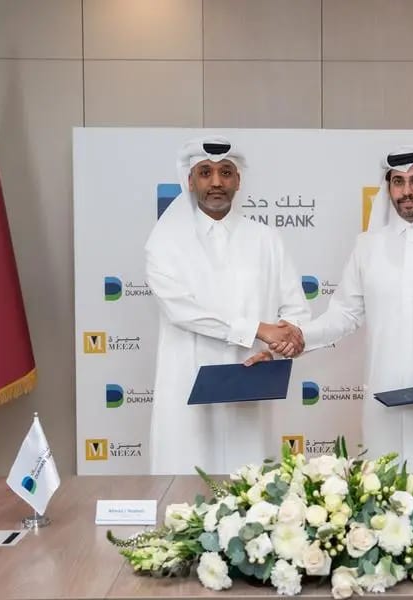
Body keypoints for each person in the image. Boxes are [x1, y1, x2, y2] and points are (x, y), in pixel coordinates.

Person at [267, 146, 413, 472]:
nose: (406, 191)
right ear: (389, 187)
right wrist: (298, 335)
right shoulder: (368, 247)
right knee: (386, 495)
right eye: (398, 182)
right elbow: (345, 313)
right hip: (386, 405)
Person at [144, 136, 308, 474]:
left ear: (238, 180)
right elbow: (181, 311)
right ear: (190, 181)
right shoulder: (165, 241)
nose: (216, 182)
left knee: (252, 488)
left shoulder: (265, 239)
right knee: (186, 486)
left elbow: (295, 310)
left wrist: (276, 349)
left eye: (226, 172)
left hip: (250, 381)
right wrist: (257, 330)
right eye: (205, 172)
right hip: (187, 385)